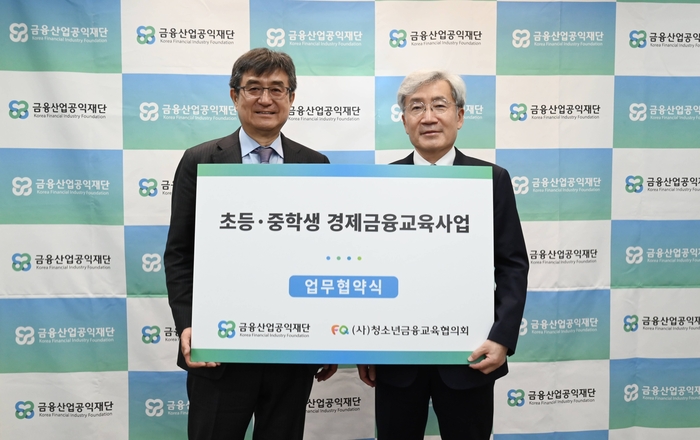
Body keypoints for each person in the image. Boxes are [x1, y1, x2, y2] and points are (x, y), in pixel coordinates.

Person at [164, 48, 336, 440]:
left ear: (292, 97)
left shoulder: (315, 165)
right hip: (219, 347)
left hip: (292, 348)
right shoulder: (201, 161)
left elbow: (323, 257)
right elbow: (180, 253)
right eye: (254, 88)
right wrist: (188, 323)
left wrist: (327, 336)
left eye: (277, 89)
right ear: (234, 95)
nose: (265, 99)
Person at [357, 70, 529, 440]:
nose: (429, 117)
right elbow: (369, 267)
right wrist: (367, 345)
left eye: (439, 105)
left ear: (460, 115)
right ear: (404, 120)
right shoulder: (381, 183)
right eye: (416, 108)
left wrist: (502, 337)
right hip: (397, 360)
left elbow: (512, 265)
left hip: (471, 357)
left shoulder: (492, 179)